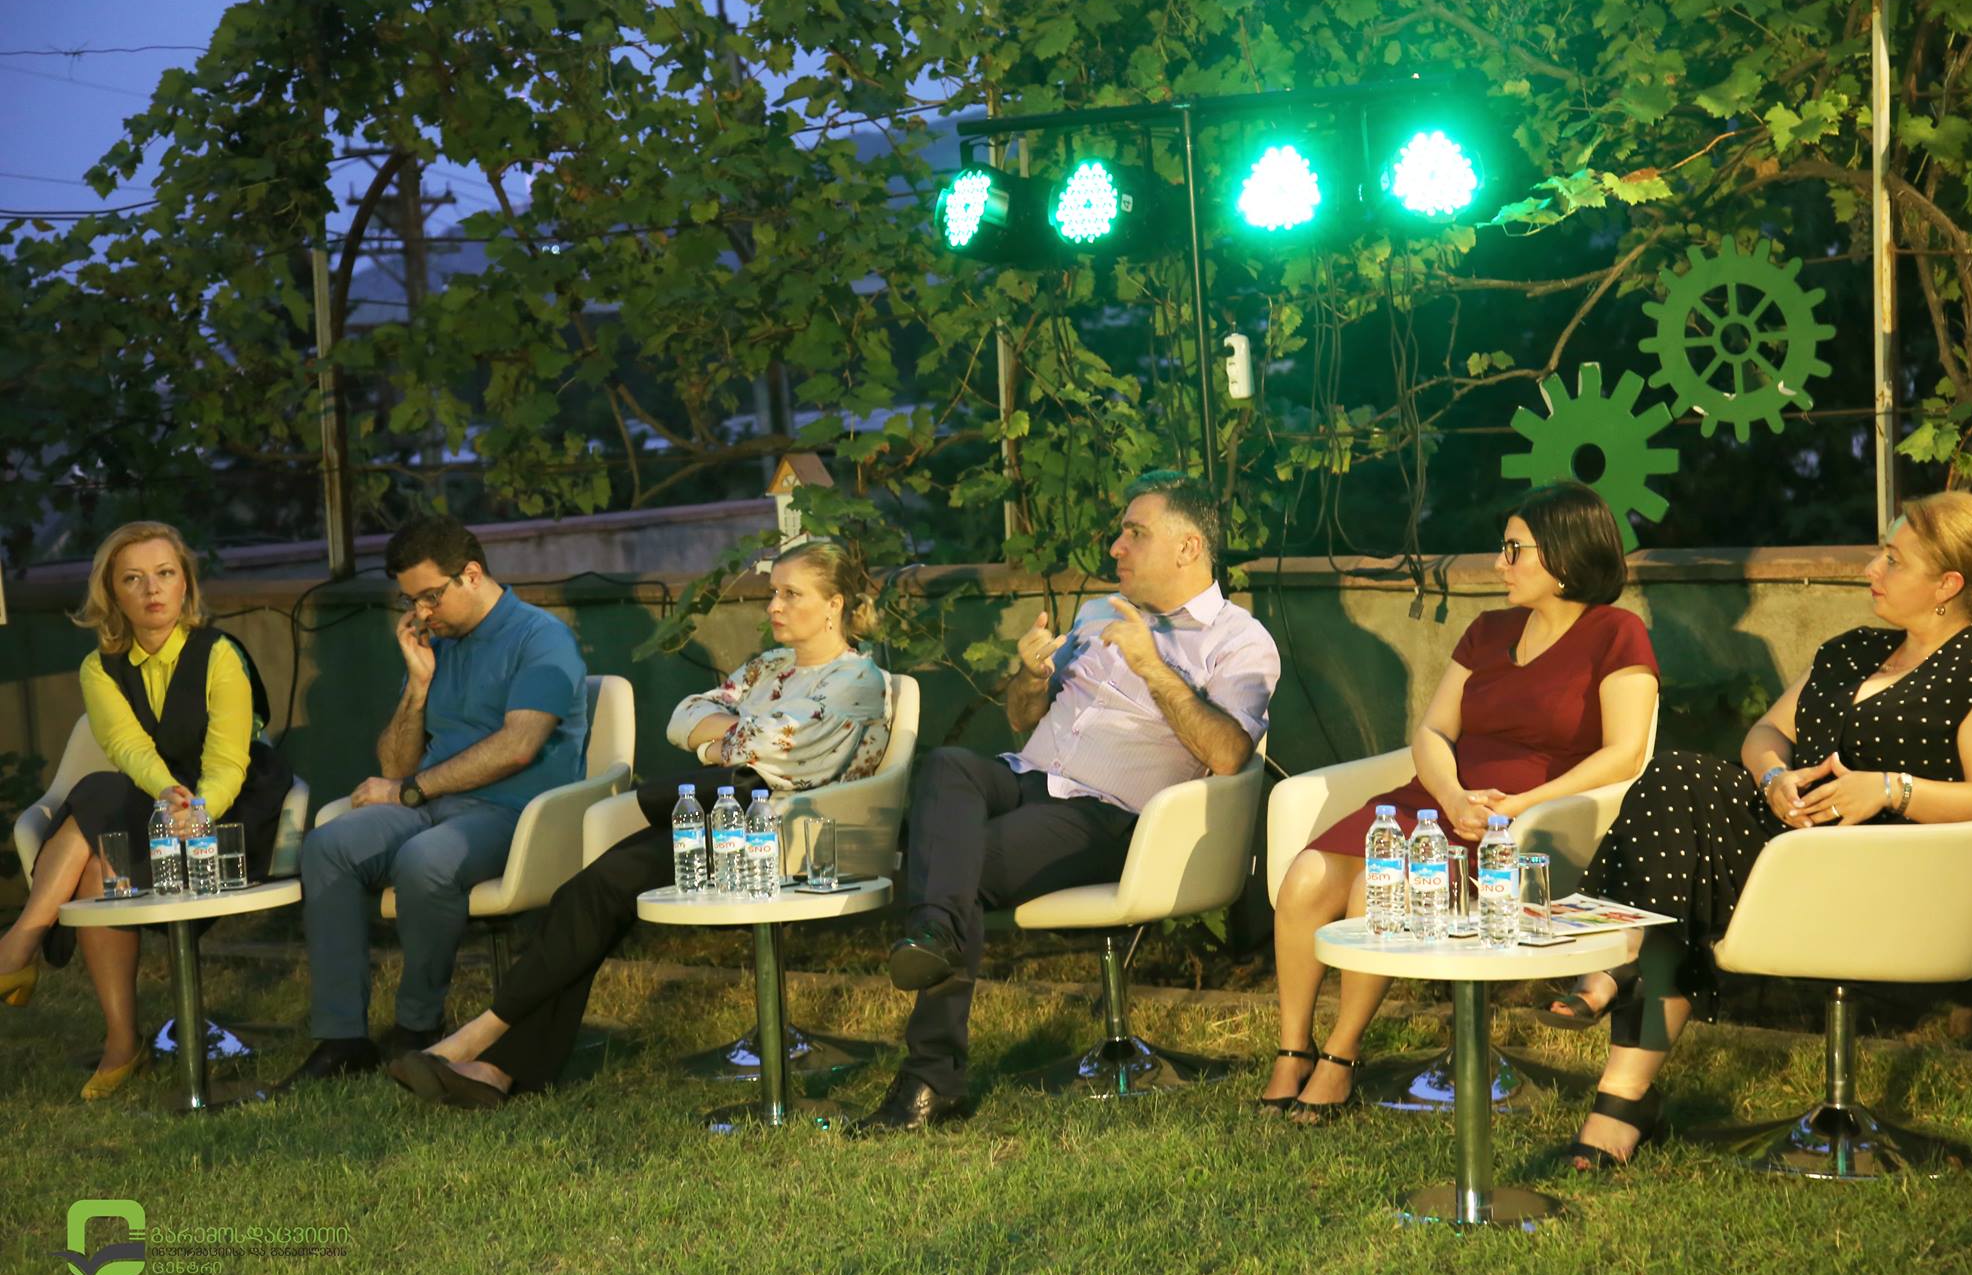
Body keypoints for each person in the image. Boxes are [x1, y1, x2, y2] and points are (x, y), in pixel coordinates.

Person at [1557, 491, 1972, 1168]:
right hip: (1787, 847)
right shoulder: (1854, 650)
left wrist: (1890, 788)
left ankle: (1620, 995)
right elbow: (1766, 732)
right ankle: (1622, 1078)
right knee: (1676, 777)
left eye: (1893, 559)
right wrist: (1772, 780)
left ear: (1947, 585)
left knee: (1675, 886)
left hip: (1882, 871)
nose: (1872, 569)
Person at [383, 540, 891, 1106]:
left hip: (789, 837)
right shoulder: (769, 668)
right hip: (724, 822)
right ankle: (495, 1069)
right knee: (586, 896)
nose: (773, 605)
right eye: (772, 592)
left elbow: (776, 744)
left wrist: (723, 740)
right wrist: (735, 740)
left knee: (598, 892)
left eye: (791, 594)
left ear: (834, 604)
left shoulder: (857, 679)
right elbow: (683, 717)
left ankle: (477, 1045)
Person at [858, 471, 1281, 1133]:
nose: (1117, 546)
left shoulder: (1240, 641)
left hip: (1114, 817)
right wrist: (1030, 678)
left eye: (1135, 533)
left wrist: (1151, 665)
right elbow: (1023, 720)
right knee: (947, 765)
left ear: (1188, 547)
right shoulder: (1096, 612)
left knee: (954, 864)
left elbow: (1230, 754)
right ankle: (934, 933)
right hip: (1027, 778)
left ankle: (930, 1075)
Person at [1261, 482, 1659, 1122]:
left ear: (1563, 555)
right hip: (1437, 804)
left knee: (1373, 887)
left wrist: (1518, 805)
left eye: (1514, 550)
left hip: (1524, 824)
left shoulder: (1617, 633)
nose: (1499, 564)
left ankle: (1340, 1056)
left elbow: (1624, 753)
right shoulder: (1488, 630)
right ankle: (1292, 1050)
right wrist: (1449, 796)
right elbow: (1433, 732)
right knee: (1306, 875)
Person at [279, 516, 588, 1091]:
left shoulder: (541, 638)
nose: (421, 613)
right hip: (431, 803)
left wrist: (409, 792)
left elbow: (519, 746)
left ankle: (417, 1026)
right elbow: (396, 765)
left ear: (470, 574)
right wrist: (418, 687)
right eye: (410, 601)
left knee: (426, 859)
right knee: (329, 845)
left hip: (515, 815)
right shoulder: (436, 644)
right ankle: (342, 1038)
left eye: (429, 596)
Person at [0, 521, 294, 1100]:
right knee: (100, 835)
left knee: (98, 808)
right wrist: (167, 795)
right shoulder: (99, 668)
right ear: (112, 594)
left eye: (164, 574)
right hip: (154, 803)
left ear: (185, 584)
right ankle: (120, 1038)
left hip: (232, 810)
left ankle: (19, 947)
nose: (152, 589)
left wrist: (198, 808)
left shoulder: (220, 654)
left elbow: (228, 758)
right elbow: (128, 747)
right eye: (133, 579)